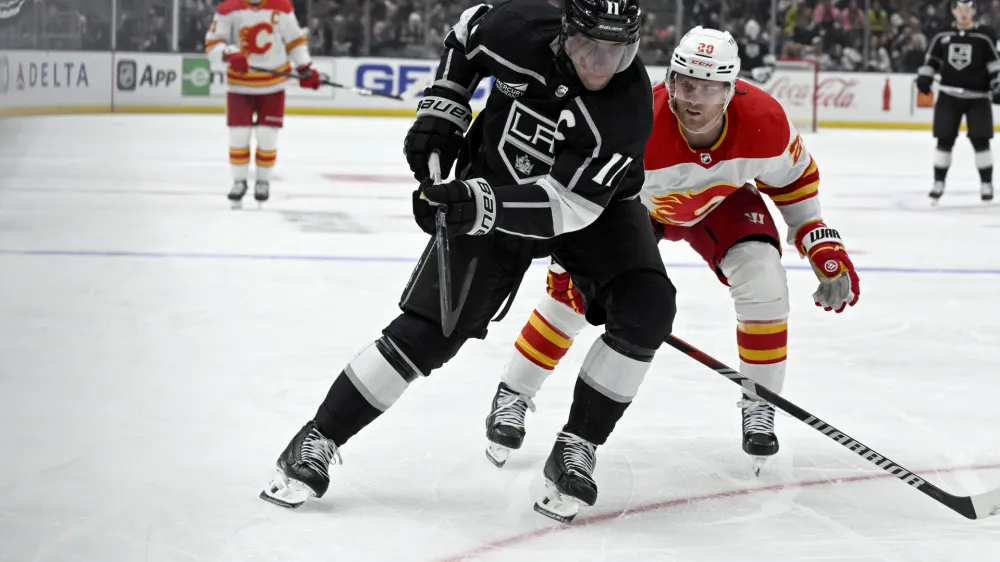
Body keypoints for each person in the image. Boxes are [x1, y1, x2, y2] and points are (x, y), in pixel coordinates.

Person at [259, 0, 676, 524]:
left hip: (592, 211)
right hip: (492, 180)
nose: (599, 63)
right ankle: (317, 437)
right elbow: (466, 31)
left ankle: (578, 445)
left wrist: (477, 203)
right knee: (432, 330)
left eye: (617, 51)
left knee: (649, 306)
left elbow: (568, 206)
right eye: (588, 45)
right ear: (564, 32)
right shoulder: (519, 30)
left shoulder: (628, 106)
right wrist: (445, 109)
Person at [485, 26, 861, 475]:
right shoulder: (636, 118)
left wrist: (821, 244)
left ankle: (761, 402)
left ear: (732, 88)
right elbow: (582, 190)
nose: (694, 100)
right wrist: (573, 254)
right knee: (570, 299)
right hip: (634, 210)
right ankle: (514, 392)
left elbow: (794, 183)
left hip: (719, 202)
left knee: (763, 275)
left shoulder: (765, 121)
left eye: (709, 87)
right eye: (685, 84)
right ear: (672, 80)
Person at [205, 0, 322, 209]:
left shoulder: (282, 6)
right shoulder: (228, 8)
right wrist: (229, 53)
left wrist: (305, 66)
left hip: (273, 85)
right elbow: (213, 42)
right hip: (239, 85)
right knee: (238, 134)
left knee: (267, 136)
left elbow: (294, 40)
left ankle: (263, 181)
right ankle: (239, 181)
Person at [917, 0, 1000, 203]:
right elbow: (932, 61)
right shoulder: (942, 35)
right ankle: (938, 183)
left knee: (981, 141)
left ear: (973, 11)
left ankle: (986, 184)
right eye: (960, 9)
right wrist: (925, 77)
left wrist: (998, 86)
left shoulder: (984, 36)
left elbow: (994, 65)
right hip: (948, 96)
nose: (963, 13)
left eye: (967, 9)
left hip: (978, 97)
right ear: (954, 11)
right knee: (944, 140)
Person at [738, 19, 776, 83]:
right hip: (742, 77)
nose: (752, 32)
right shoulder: (740, 44)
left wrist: (763, 71)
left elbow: (771, 64)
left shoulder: (763, 45)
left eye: (753, 30)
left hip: (758, 79)